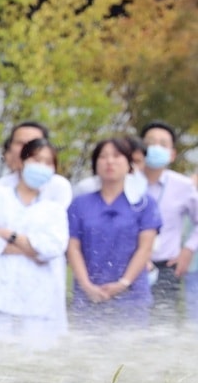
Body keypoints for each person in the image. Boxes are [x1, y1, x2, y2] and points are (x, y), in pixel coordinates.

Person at [0, 138, 70, 349]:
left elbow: (53, 248)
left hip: (36, 299)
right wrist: (31, 249)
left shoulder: (53, 209)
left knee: (31, 361)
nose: (41, 167)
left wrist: (10, 236)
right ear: (22, 162)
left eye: (48, 162)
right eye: (36, 159)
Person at [67, 137, 161, 327]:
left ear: (129, 164)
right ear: (95, 165)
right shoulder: (79, 204)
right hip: (88, 296)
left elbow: (145, 248)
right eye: (103, 157)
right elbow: (73, 247)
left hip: (131, 294)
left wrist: (123, 283)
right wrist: (87, 286)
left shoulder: (144, 204)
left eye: (117, 156)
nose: (110, 161)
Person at [137, 121, 198, 322]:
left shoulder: (183, 185)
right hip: (130, 264)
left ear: (172, 154)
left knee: (163, 326)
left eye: (163, 144)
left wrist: (188, 250)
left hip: (166, 267)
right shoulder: (127, 183)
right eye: (150, 143)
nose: (156, 148)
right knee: (128, 325)